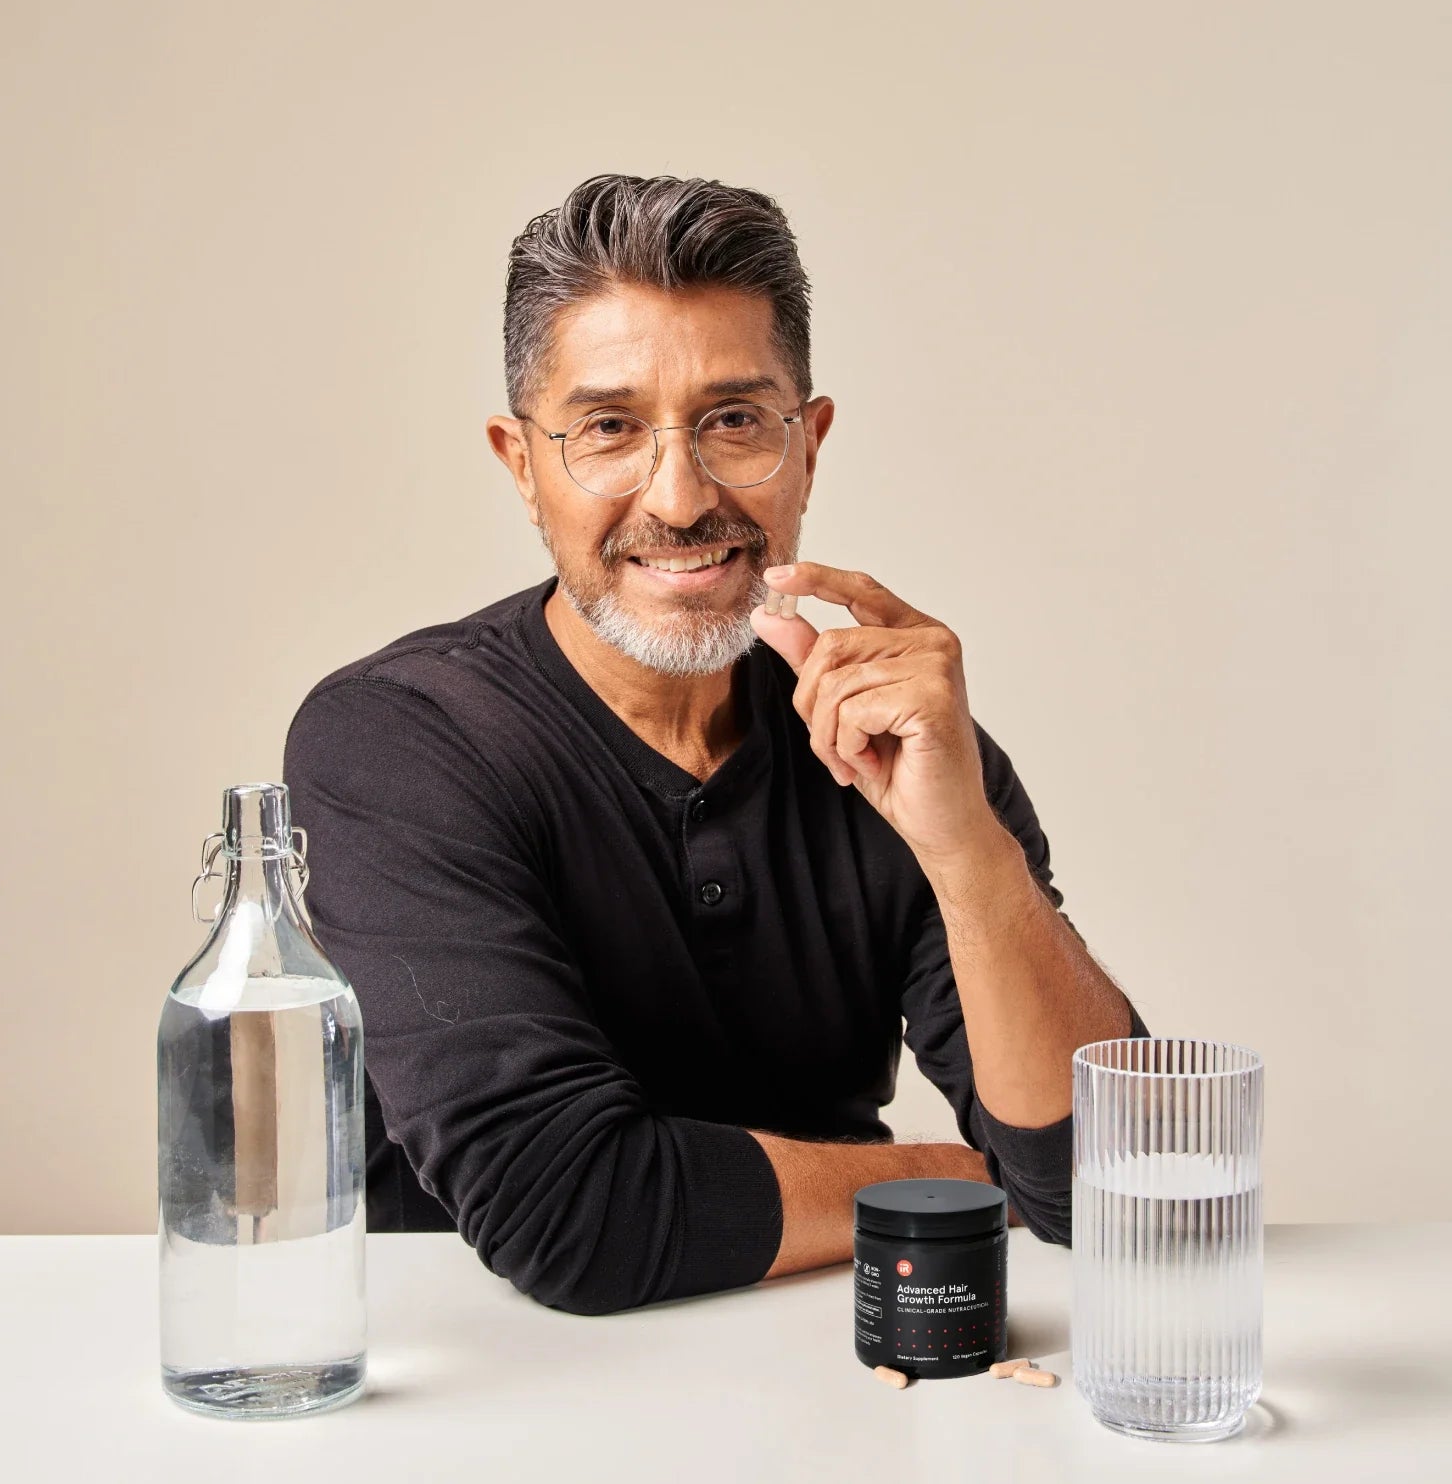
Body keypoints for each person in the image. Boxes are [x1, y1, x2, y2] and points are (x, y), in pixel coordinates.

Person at [283, 172, 1146, 1317]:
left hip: (835, 1380)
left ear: (810, 444)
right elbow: (572, 1214)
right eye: (608, 429)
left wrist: (967, 851)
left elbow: (1112, 1177)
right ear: (520, 464)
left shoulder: (902, 745)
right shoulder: (397, 743)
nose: (681, 498)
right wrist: (967, 1179)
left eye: (735, 420)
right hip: (486, 1390)